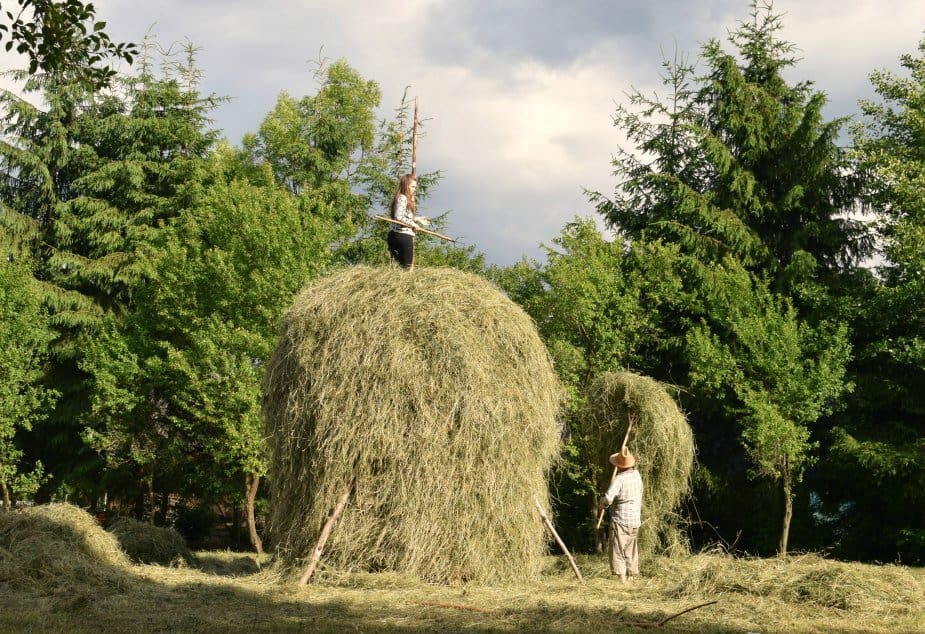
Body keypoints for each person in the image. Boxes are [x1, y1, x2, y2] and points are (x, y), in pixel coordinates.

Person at [600, 447, 643, 583]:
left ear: (619, 465)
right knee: (631, 549)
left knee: (617, 549)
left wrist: (602, 502)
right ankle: (631, 577)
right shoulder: (637, 475)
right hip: (635, 519)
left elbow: (608, 499)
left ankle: (623, 580)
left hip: (621, 520)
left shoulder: (619, 479)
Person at [386, 173, 429, 270]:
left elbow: (404, 216)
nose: (414, 189)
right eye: (412, 186)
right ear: (406, 186)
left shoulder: (401, 198)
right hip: (402, 236)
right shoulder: (402, 198)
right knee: (407, 268)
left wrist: (417, 219)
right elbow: (398, 217)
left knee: (400, 267)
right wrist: (413, 224)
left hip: (396, 235)